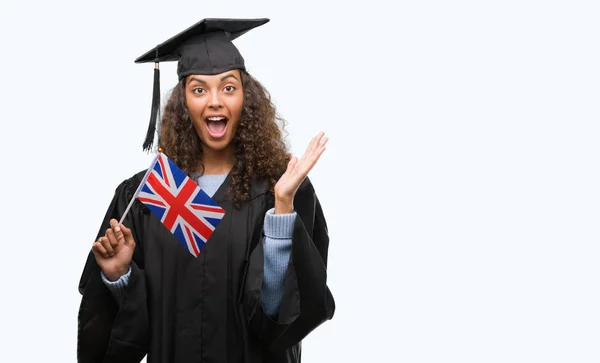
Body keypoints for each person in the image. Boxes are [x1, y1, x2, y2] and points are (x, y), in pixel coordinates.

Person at [76, 18, 335, 363]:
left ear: (247, 98)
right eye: (199, 89)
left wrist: (283, 208)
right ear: (183, 103)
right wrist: (119, 276)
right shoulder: (150, 194)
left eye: (228, 87)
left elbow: (278, 322)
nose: (215, 101)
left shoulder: (279, 189)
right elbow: (130, 330)